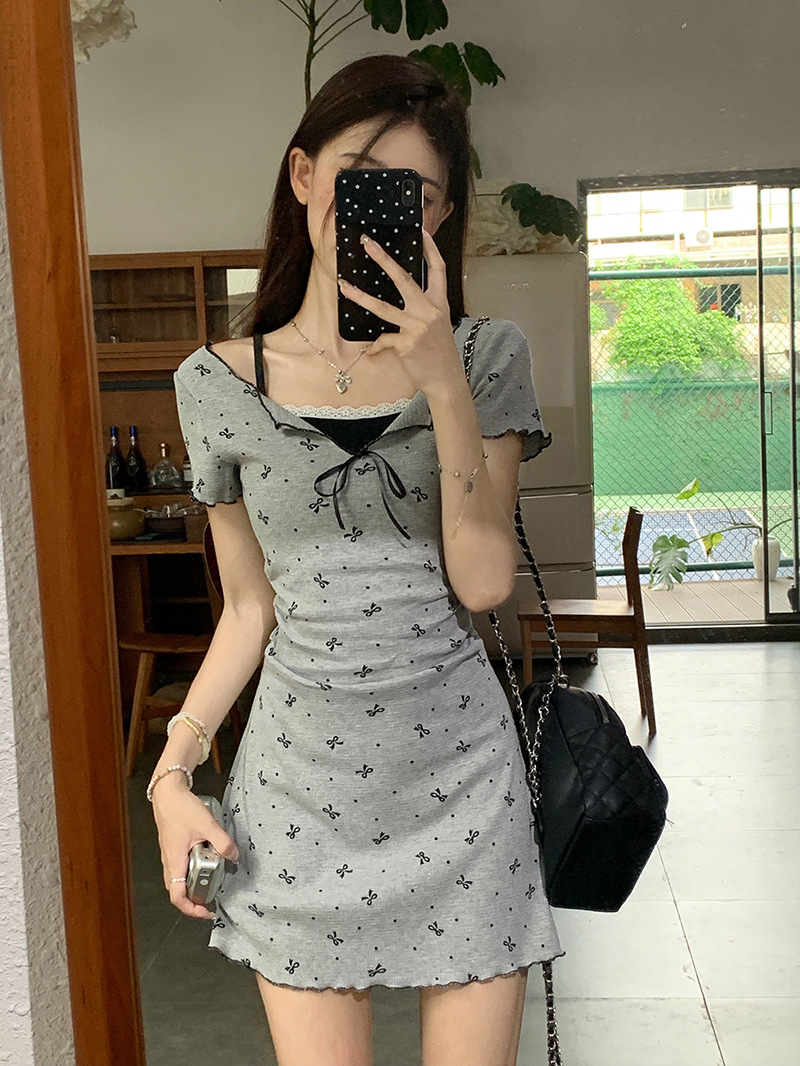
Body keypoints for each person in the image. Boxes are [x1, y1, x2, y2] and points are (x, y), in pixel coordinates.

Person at [150, 52, 563, 1066]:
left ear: (441, 214)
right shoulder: (213, 383)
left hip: (462, 785)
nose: (381, 213)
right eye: (358, 179)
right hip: (296, 795)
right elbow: (248, 609)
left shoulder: (488, 355)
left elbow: (481, 583)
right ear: (302, 177)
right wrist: (170, 772)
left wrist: (441, 378)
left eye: (413, 196)